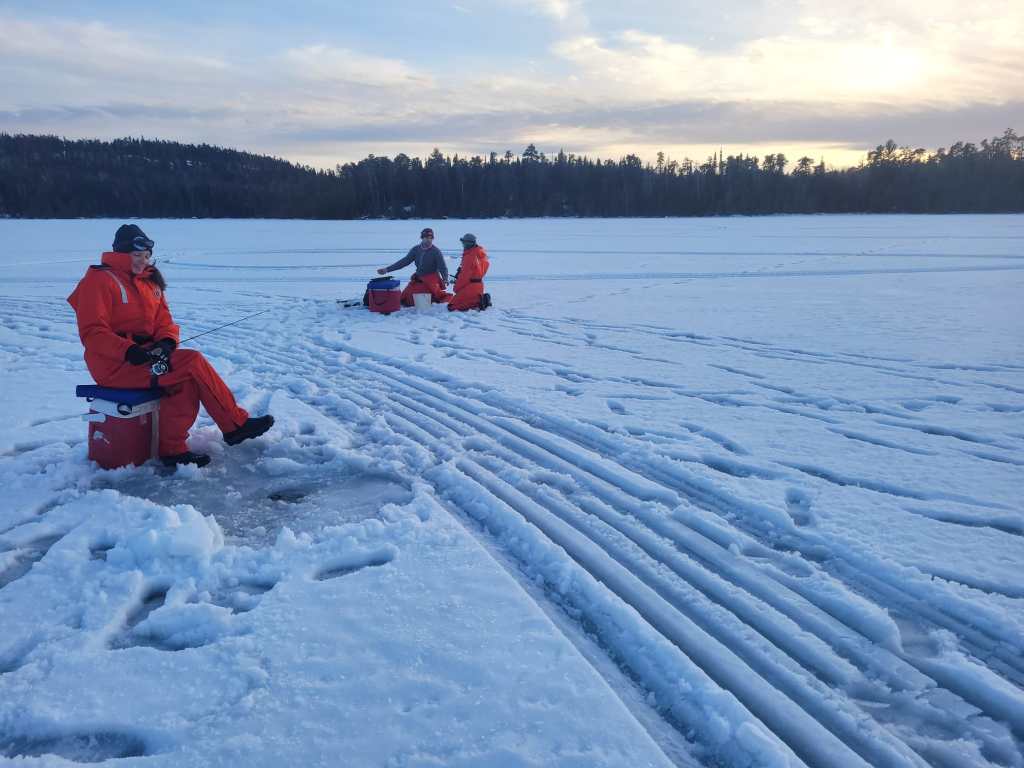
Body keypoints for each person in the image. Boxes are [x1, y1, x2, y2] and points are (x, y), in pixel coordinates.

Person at [67, 224, 274, 469]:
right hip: (115, 365)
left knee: (184, 382)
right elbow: (93, 333)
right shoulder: (99, 280)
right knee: (192, 361)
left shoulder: (150, 283)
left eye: (146, 256)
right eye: (136, 256)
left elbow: (165, 321)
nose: (143, 261)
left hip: (146, 359)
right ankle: (235, 425)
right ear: (121, 254)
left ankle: (172, 450)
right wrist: (128, 350)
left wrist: (166, 342)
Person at [377, 227, 450, 306]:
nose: (428, 240)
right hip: (419, 278)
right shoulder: (416, 249)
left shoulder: (436, 251)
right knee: (405, 296)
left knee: (429, 297)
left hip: (432, 279)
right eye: (426, 238)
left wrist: (445, 279)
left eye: (430, 238)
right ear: (422, 238)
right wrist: (387, 270)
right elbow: (404, 262)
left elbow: (442, 267)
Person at [448, 233, 491, 311]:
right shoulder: (480, 253)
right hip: (479, 286)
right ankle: (479, 299)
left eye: (463, 243)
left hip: (470, 287)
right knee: (461, 302)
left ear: (468, 243)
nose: (462, 245)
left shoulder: (470, 256)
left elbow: (464, 276)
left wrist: (456, 287)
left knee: (452, 306)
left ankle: (480, 301)